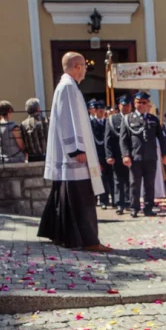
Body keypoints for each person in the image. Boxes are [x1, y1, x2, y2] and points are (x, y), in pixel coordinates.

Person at [38, 52, 110, 252]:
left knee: (67, 195)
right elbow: (68, 120)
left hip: (70, 155)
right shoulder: (68, 87)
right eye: (85, 66)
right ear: (77, 66)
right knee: (81, 198)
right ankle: (89, 240)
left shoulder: (68, 86)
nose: (86, 70)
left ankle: (64, 236)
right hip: (74, 156)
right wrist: (76, 149)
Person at [121, 90, 166, 218]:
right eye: (138, 102)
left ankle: (148, 207)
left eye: (144, 102)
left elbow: (162, 138)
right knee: (134, 184)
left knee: (149, 184)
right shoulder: (128, 119)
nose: (141, 104)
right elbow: (124, 139)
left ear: (148, 104)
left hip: (150, 157)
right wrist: (125, 155)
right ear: (134, 103)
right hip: (135, 157)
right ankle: (134, 208)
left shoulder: (153, 119)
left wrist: (165, 154)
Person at [105, 94, 132, 215]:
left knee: (131, 180)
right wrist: (109, 155)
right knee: (118, 180)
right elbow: (108, 139)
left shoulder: (134, 118)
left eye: (128, 105)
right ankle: (119, 203)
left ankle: (129, 202)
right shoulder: (112, 119)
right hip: (117, 154)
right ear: (119, 106)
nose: (126, 108)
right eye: (123, 105)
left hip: (131, 154)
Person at [88, 99, 113, 209]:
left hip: (107, 154)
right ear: (95, 111)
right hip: (96, 154)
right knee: (98, 178)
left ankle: (106, 200)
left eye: (102, 110)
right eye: (99, 110)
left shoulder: (108, 122)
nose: (101, 112)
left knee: (108, 178)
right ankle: (99, 200)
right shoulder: (91, 124)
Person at [20, 98, 48, 163]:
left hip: (32, 157)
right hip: (47, 156)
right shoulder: (46, 121)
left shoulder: (23, 124)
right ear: (38, 109)